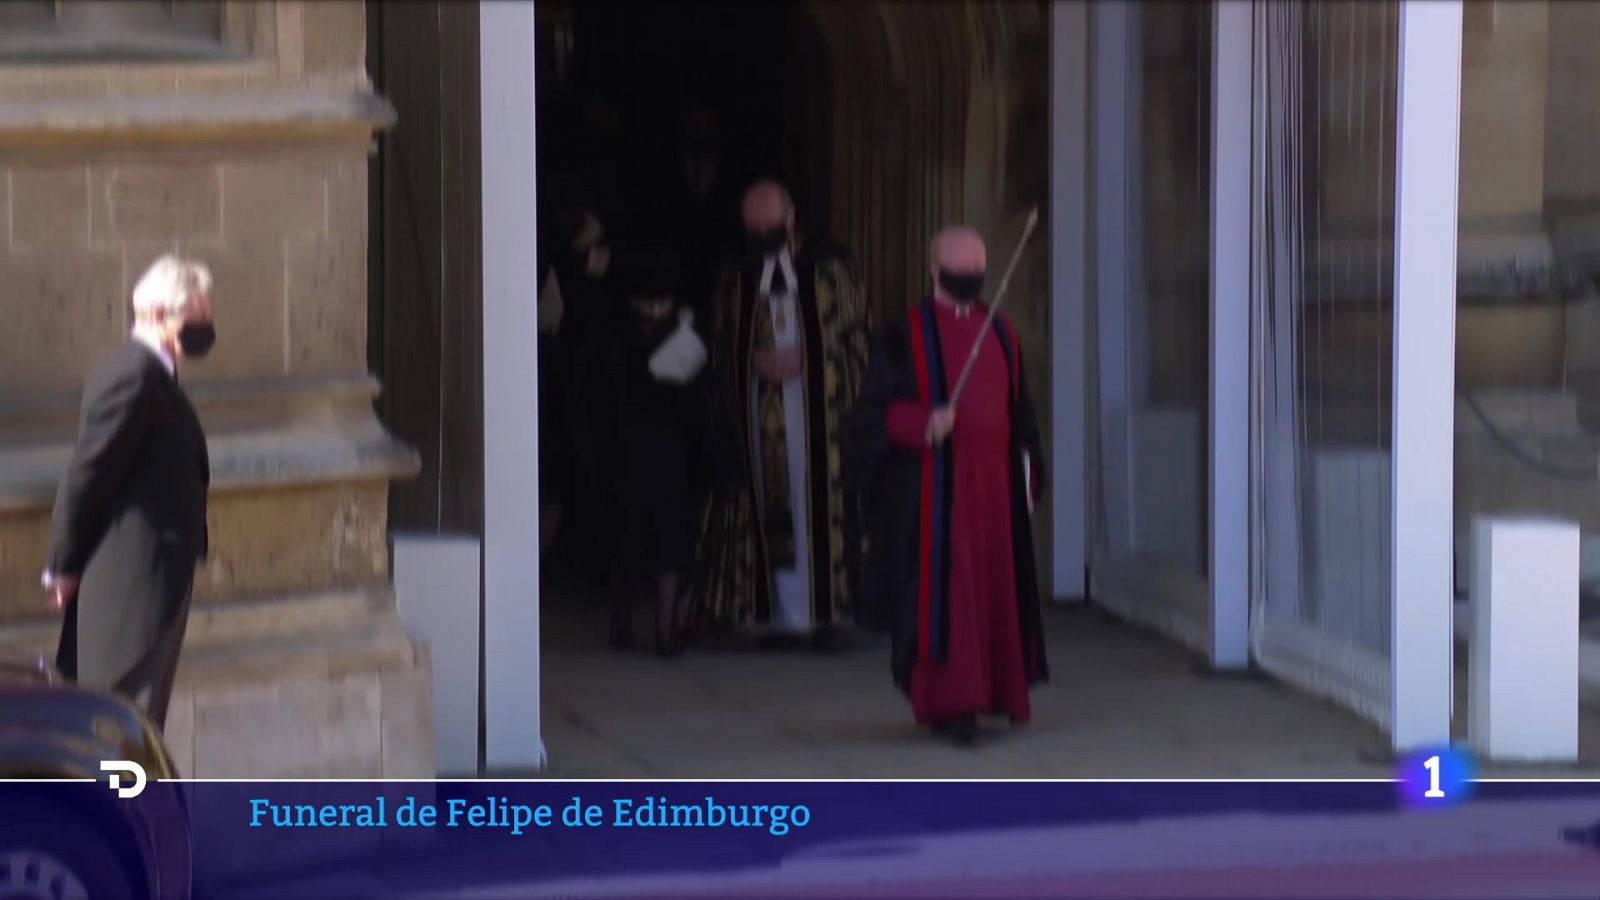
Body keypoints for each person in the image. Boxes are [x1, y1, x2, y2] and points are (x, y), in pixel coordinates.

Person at [848, 226, 1049, 746]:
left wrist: (1029, 466)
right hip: (937, 495)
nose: (970, 282)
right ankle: (952, 705)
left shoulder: (1000, 330)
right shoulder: (901, 337)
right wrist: (919, 423)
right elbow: (866, 418)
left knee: (994, 593)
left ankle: (998, 691)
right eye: (960, 273)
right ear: (936, 272)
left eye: (977, 273)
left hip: (995, 493)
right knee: (952, 597)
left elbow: (1020, 409)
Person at [692, 180, 871, 650]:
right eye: (753, 227)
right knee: (772, 511)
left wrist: (809, 358)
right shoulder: (736, 275)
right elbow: (720, 340)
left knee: (815, 509)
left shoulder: (831, 269)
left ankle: (825, 615)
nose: (762, 233)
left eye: (769, 225)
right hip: (759, 410)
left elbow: (858, 336)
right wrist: (749, 359)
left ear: (791, 219)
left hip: (819, 416)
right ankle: (777, 616)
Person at [42, 255, 215, 729]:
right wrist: (61, 567)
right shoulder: (130, 375)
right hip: (132, 593)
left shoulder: (157, 374)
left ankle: (137, 802)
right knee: (122, 726)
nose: (205, 326)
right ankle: (125, 804)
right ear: (160, 315)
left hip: (158, 583)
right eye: (196, 317)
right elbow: (87, 475)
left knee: (140, 725)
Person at [609, 250, 707, 656]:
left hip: (669, 451)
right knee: (632, 540)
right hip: (633, 450)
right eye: (647, 302)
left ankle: (662, 631)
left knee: (665, 542)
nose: (654, 310)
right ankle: (627, 624)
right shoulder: (621, 334)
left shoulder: (684, 333)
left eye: (661, 302)